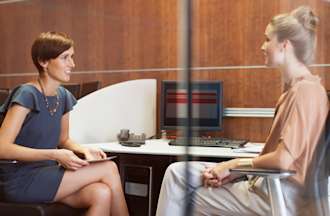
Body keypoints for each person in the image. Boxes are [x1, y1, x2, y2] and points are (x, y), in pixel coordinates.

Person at [156, 5, 329, 216]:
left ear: (284, 45)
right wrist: (235, 173)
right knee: (177, 172)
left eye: (267, 39)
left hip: (279, 195)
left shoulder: (306, 91)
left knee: (179, 190)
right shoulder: (298, 90)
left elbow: (284, 160)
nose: (262, 46)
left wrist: (234, 165)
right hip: (269, 185)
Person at [0, 32, 129, 216]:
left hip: (47, 173)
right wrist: (54, 154)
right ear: (43, 62)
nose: (72, 64)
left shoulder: (63, 96)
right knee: (109, 169)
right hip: (20, 178)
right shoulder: (27, 94)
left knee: (102, 193)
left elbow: (63, 139)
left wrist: (83, 150)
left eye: (72, 57)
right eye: (65, 58)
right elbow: (2, 147)